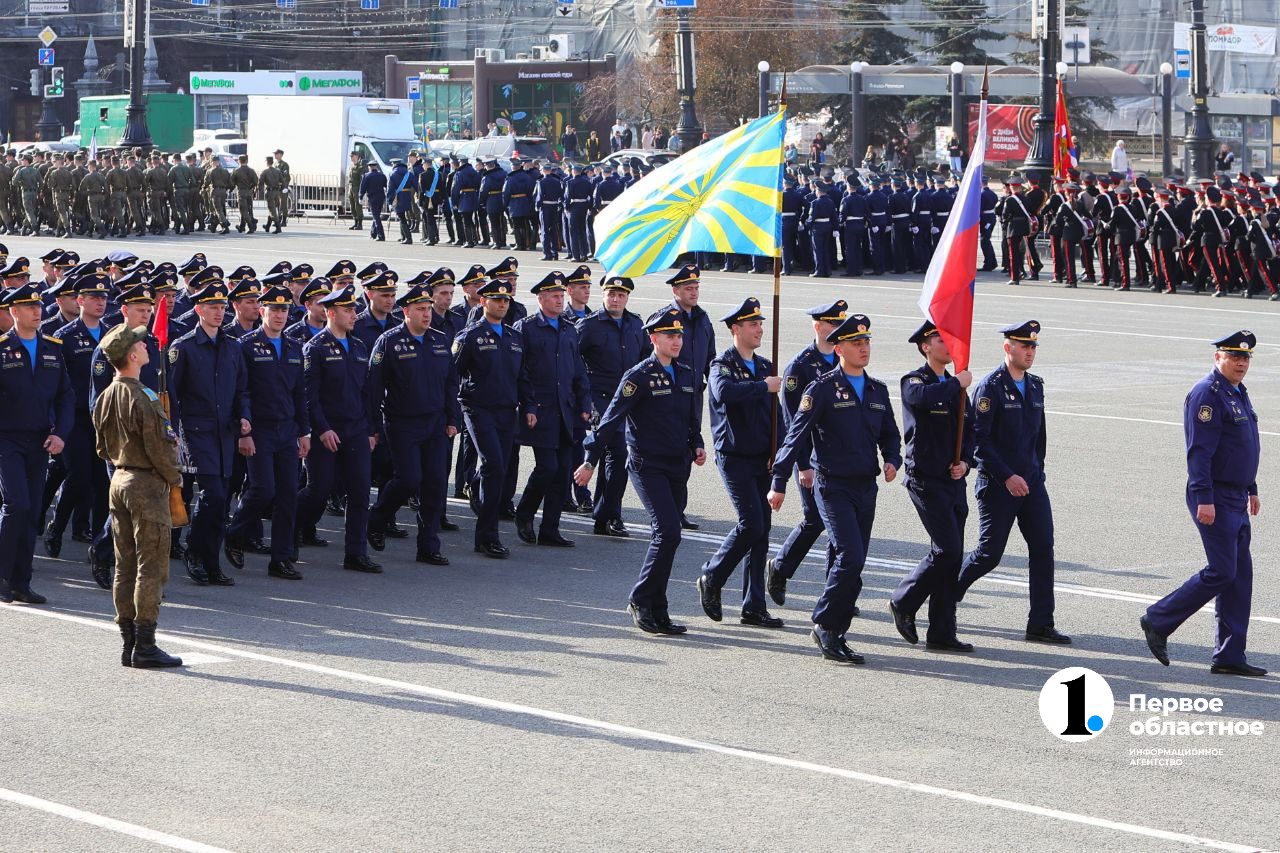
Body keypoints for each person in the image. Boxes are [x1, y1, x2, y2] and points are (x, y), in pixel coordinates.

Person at [768, 314, 901, 664]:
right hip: (832, 485)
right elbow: (795, 437)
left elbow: (890, 433)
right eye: (856, 343)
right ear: (839, 349)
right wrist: (779, 481)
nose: (864, 348)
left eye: (866, 342)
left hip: (865, 486)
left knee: (855, 563)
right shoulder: (821, 389)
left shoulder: (877, 390)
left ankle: (837, 632)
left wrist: (892, 459)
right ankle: (825, 625)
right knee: (850, 556)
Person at [574, 308, 706, 635]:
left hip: (677, 464)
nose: (677, 341)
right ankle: (640, 599)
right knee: (667, 532)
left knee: (672, 537)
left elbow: (691, 416)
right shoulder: (638, 376)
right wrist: (590, 461)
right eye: (670, 335)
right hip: (648, 465)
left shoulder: (685, 372)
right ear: (653, 338)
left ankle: (658, 609)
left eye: (679, 335)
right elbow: (610, 421)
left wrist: (697, 443)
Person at [1141, 332, 1264, 676]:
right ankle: (1158, 619)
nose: (1241, 363)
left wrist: (1251, 487)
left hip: (1236, 495)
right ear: (1217, 357)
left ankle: (1229, 655)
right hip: (1214, 495)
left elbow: (1243, 446)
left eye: (1245, 358)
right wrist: (1204, 498)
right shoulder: (1207, 394)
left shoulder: (1237, 392)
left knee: (1239, 576)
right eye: (1234, 356)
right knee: (1222, 571)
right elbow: (1199, 452)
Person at [955, 321, 1071, 644]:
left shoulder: (1035, 385)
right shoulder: (990, 388)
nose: (1030, 352)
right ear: (1008, 348)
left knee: (1043, 548)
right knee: (989, 554)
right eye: (1024, 346)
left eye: (1033, 347)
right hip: (998, 485)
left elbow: (1039, 436)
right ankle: (947, 595)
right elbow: (978, 443)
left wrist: (1036, 471)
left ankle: (1041, 623)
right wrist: (1007, 476)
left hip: (1031, 483)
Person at [91, 324, 182, 667]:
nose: (146, 347)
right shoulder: (143, 396)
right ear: (131, 355)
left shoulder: (105, 395)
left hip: (119, 479)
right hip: (145, 484)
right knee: (151, 565)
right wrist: (174, 478)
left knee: (125, 565)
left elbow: (102, 448)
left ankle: (128, 643)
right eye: (141, 344)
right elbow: (159, 448)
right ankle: (145, 644)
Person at [696, 297, 784, 628]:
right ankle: (712, 576)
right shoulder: (722, 364)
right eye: (752, 324)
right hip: (734, 457)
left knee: (762, 532)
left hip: (762, 457)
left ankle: (753, 606)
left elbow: (777, 416)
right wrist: (762, 387)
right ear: (736, 329)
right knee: (751, 524)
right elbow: (724, 393)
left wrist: (778, 450)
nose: (759, 329)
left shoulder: (764, 366)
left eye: (760, 324)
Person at [889, 321, 976, 652]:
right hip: (925, 479)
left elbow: (970, 430)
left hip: (953, 480)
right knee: (947, 550)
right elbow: (922, 399)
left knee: (952, 558)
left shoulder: (956, 387)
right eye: (941, 339)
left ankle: (942, 631)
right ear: (926, 346)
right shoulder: (915, 381)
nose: (948, 345)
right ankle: (903, 600)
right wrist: (956, 383)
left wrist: (965, 462)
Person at [223, 285, 309, 581]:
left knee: (288, 495)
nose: (280, 315)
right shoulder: (246, 345)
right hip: (259, 430)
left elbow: (300, 394)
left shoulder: (295, 347)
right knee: (263, 489)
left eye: (284, 310)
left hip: (287, 430)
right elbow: (241, 391)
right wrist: (244, 431)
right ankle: (235, 533)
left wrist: (305, 432)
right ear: (262, 312)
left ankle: (281, 558)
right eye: (274, 309)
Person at [168, 280, 250, 587]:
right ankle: (194, 551)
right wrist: (173, 433)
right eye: (212, 307)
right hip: (196, 431)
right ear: (199, 310)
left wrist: (245, 417)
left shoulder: (232, 347)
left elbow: (242, 389)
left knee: (222, 498)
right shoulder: (184, 347)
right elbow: (172, 395)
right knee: (212, 494)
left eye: (221, 307)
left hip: (225, 432)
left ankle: (211, 562)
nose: (218, 312)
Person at [766, 300, 846, 606]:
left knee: (839, 524)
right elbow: (792, 424)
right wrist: (802, 465)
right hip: (811, 457)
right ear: (818, 326)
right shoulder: (800, 367)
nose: (838, 329)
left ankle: (837, 590)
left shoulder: (844, 359)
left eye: (841, 324)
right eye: (833, 324)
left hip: (839, 456)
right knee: (815, 519)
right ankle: (780, 566)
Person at [295, 286, 380, 573]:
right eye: (347, 310)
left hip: (356, 429)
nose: (354, 315)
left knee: (360, 491)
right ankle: (291, 527)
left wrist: (370, 430)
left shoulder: (358, 346)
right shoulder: (316, 348)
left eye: (354, 309)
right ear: (331, 313)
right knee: (319, 490)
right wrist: (321, 429)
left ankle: (356, 553)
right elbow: (309, 396)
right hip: (327, 431)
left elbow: (366, 393)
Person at [0, 284, 72, 605]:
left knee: (31, 511)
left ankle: (21, 582)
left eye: (39, 306)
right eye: (29, 307)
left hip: (40, 440)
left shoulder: (52, 348)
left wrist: (61, 433)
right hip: (7, 439)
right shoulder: (2, 348)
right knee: (16, 504)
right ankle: (2, 576)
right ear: (14, 311)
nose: (36, 311)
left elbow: (65, 396)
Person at [453, 278, 533, 559]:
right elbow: (452, 375)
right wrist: (451, 413)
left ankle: (476, 485)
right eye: (496, 300)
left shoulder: (514, 337)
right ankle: (487, 536)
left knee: (499, 467)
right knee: (494, 466)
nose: (502, 304)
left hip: (506, 411)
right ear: (483, 301)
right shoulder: (469, 336)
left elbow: (522, 376)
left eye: (506, 300)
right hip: (478, 409)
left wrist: (529, 406)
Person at [512, 272, 591, 547]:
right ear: (541, 298)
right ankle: (524, 514)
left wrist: (584, 404)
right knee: (547, 467)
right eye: (554, 296)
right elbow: (520, 371)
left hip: (565, 411)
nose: (559, 300)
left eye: (561, 295)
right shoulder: (526, 328)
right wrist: (528, 405)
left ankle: (550, 529)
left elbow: (578, 370)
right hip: (540, 410)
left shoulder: (569, 329)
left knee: (563, 471)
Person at [575, 275, 647, 536]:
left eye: (621, 295)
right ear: (603, 295)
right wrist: (583, 397)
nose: (616, 299)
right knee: (616, 454)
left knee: (616, 458)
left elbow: (645, 360)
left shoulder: (636, 324)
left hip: (628, 401)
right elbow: (573, 361)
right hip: (601, 399)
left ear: (627, 297)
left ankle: (604, 515)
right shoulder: (589, 325)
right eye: (611, 294)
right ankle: (610, 515)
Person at [360, 163, 388, 242]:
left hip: (372, 198)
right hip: (381, 198)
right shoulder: (382, 175)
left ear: (369, 167)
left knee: (376, 217)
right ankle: (373, 233)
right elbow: (386, 186)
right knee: (376, 215)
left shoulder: (367, 176)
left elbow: (363, 187)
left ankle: (381, 235)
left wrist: (360, 197)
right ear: (376, 167)